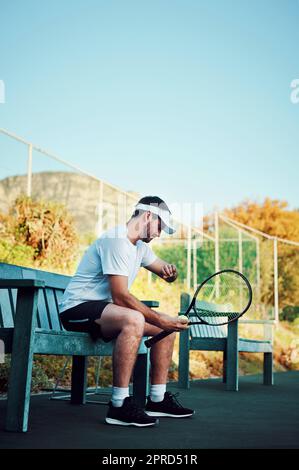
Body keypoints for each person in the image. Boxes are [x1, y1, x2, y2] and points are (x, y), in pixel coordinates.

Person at [59, 195, 194, 427]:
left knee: (167, 332)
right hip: (77, 309)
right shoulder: (116, 240)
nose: (159, 233)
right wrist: (162, 320)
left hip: (104, 313)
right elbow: (121, 296)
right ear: (149, 216)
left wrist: (171, 274)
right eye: (160, 226)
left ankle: (157, 400)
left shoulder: (140, 247)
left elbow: (164, 271)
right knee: (135, 319)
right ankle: (119, 405)